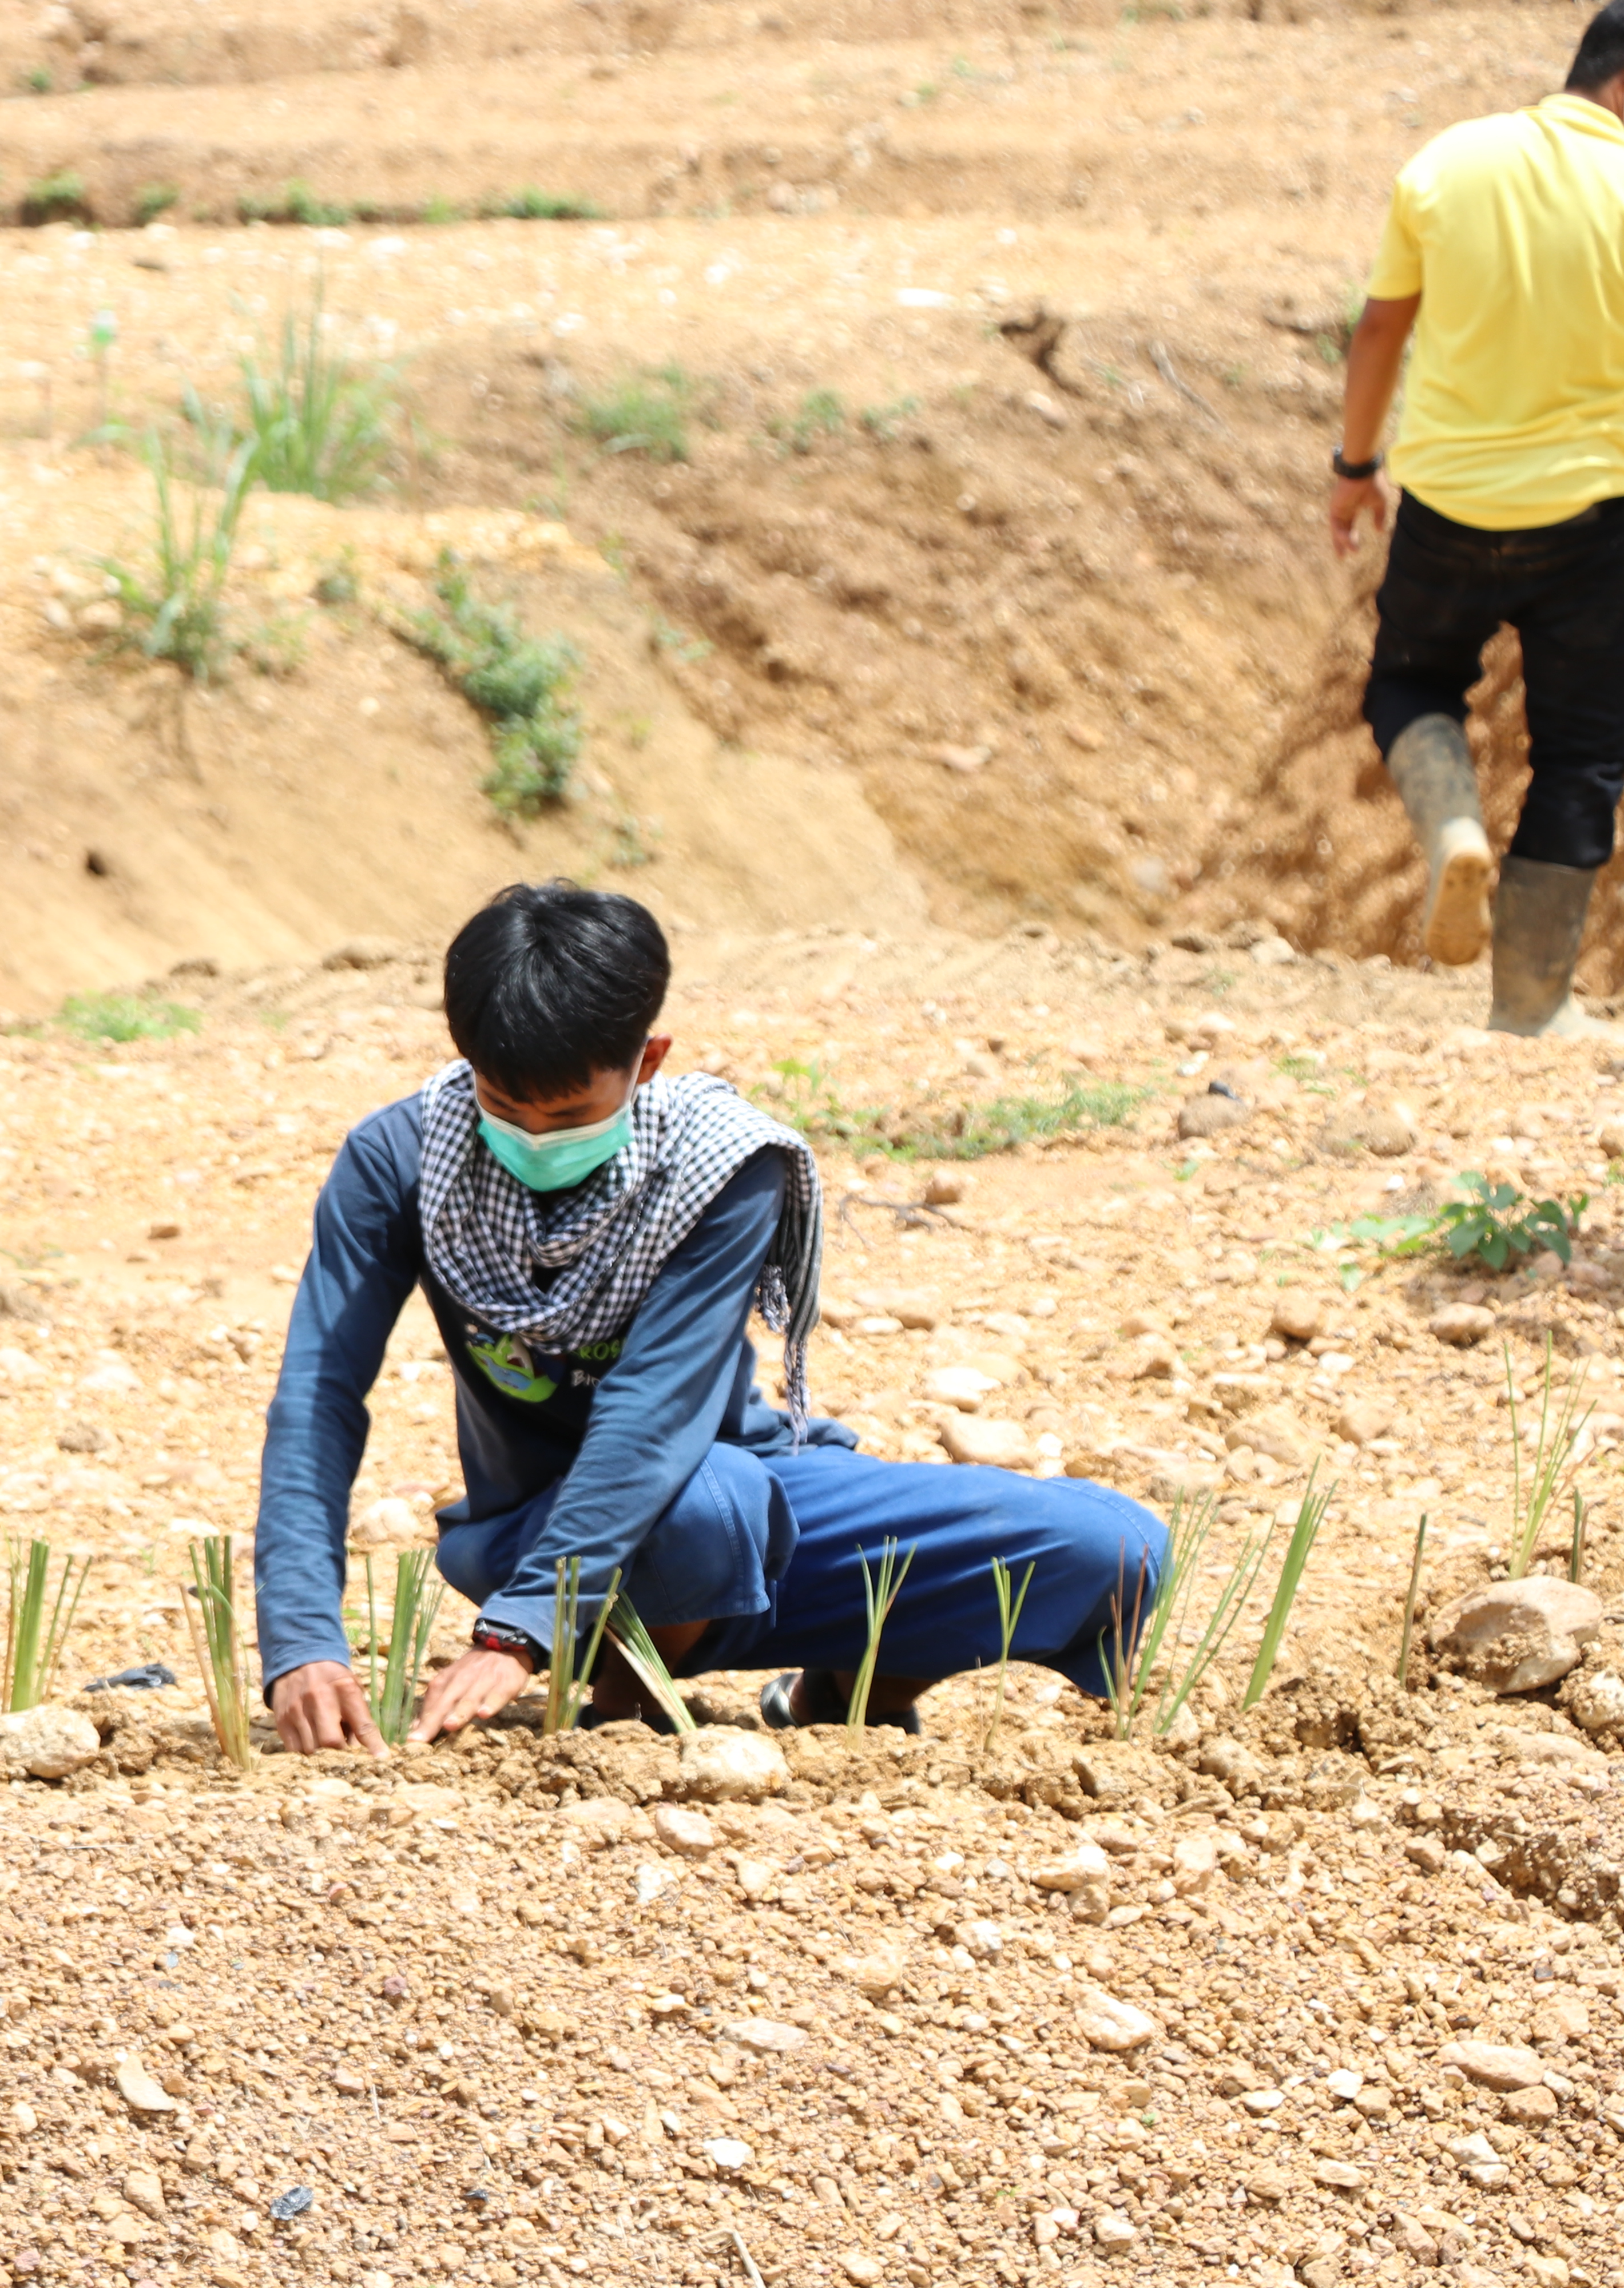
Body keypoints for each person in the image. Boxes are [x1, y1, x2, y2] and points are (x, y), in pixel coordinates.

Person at [256, 883, 1165, 1751]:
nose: (534, 1136)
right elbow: (319, 1393)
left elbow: (653, 1412)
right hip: (550, 1530)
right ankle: (626, 1705)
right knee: (703, 1511)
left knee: (1113, 1548)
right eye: (502, 1105)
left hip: (750, 1495)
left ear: (648, 1061)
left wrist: (517, 1636)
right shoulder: (401, 1161)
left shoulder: (721, 1163)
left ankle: (847, 1693)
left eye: (571, 1112)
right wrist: (303, 1639)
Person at [1331, 3, 1624, 1038]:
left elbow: (1379, 331)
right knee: (1583, 755)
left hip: (1446, 503)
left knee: (1412, 680)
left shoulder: (1451, 160)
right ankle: (1532, 1005)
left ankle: (1453, 827)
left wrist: (1354, 467)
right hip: (1592, 518)